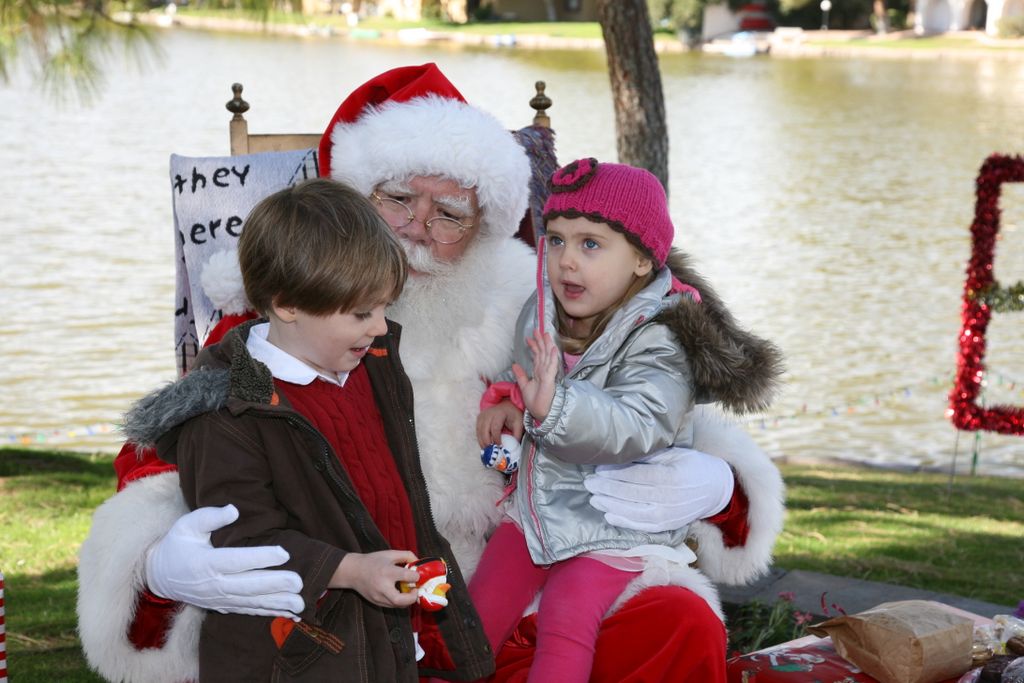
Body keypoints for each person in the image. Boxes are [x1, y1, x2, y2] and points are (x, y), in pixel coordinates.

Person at [78, 63, 786, 683]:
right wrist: (160, 562)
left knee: (674, 624)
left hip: (510, 587)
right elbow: (166, 466)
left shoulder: (530, 302)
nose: (415, 228)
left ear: (486, 225)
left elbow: (649, 399)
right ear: (356, 197)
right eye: (395, 199)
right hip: (339, 606)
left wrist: (718, 486)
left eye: (448, 211)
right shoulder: (279, 319)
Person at [121, 178, 492, 680]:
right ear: (287, 303)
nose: (381, 327)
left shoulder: (372, 363)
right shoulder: (228, 415)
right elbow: (242, 540)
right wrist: (352, 571)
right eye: (363, 312)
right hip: (295, 650)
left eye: (385, 308)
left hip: (381, 627)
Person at [469, 158, 782, 682]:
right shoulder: (542, 307)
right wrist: (508, 398)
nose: (568, 260)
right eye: (559, 240)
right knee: (477, 615)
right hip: (538, 508)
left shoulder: (660, 337)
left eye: (591, 244)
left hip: (614, 521)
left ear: (641, 261)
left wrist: (553, 408)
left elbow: (638, 425)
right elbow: (525, 366)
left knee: (567, 625)